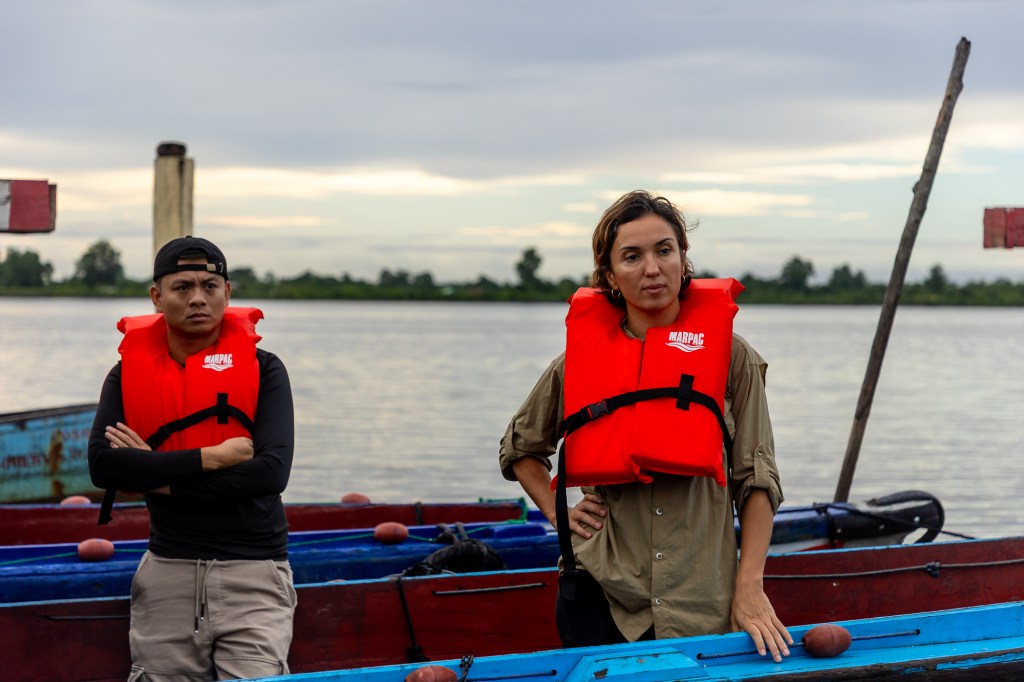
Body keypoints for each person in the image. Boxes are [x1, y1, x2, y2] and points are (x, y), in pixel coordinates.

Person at [498, 190, 792, 661]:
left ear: (683, 259)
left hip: (701, 598)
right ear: (609, 275)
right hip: (601, 592)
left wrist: (750, 586)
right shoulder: (576, 364)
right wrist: (558, 515)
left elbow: (757, 478)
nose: (652, 268)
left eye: (664, 250)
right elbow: (519, 448)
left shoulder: (732, 358)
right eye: (632, 256)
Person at [87, 235, 297, 681]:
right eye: (182, 287)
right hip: (168, 569)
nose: (198, 298)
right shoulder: (126, 375)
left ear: (227, 293)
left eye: (210, 286)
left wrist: (153, 475)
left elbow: (269, 474)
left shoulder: (265, 369)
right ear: (157, 297)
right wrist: (211, 457)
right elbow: (103, 466)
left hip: (254, 572)